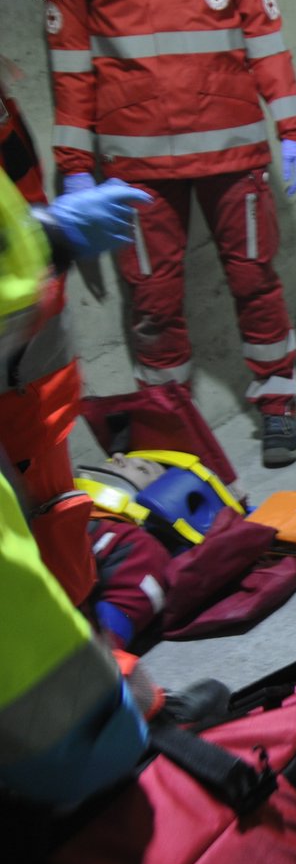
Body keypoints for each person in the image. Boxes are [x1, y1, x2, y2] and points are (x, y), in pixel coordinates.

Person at [46, 0, 296, 468]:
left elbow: (263, 34)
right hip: (136, 163)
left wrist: (294, 127)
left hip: (231, 149)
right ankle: (169, 420)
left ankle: (277, 404)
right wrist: (73, 166)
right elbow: (69, 63)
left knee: (255, 282)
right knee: (153, 301)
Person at [0, 170, 148, 809]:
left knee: (62, 555)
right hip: (15, 407)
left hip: (29, 407)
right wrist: (104, 733)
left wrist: (43, 230)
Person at [1, 84, 150, 605]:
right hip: (14, 377)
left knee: (55, 531)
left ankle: (105, 674)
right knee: (25, 568)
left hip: (30, 369)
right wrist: (49, 234)